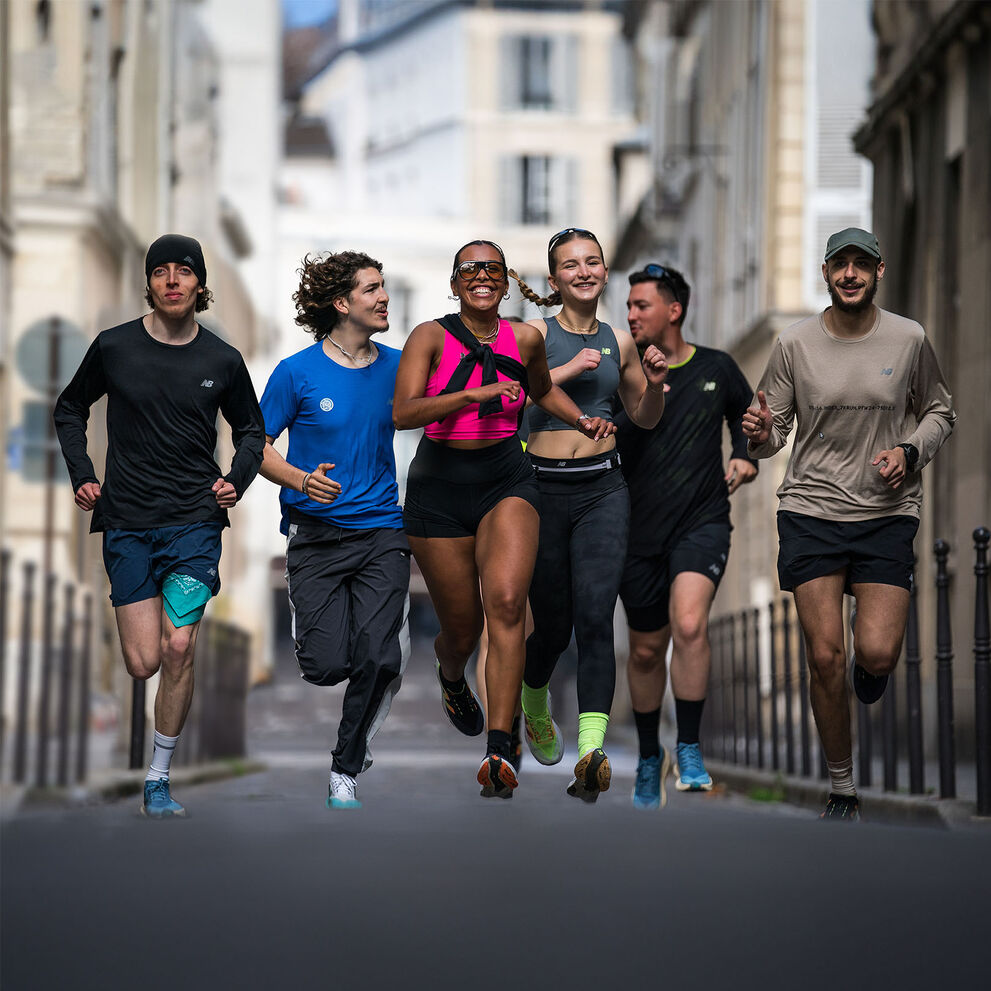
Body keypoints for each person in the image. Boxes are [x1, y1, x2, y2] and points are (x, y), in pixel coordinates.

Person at [742, 228, 955, 821]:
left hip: (887, 512)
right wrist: (758, 437)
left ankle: (871, 662)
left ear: (879, 272)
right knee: (825, 657)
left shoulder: (909, 337)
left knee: (878, 655)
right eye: (841, 264)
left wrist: (910, 452)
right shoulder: (793, 343)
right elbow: (772, 429)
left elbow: (940, 410)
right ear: (826, 272)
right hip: (811, 510)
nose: (851, 274)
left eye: (862, 264)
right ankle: (842, 786)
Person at [393, 239, 615, 799]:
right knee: (462, 631)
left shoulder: (526, 337)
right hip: (437, 489)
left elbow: (541, 390)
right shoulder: (428, 336)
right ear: (455, 283)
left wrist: (582, 419)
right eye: (470, 270)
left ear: (506, 280)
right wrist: (474, 395)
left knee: (510, 605)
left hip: (506, 480)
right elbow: (403, 413)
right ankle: (450, 675)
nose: (482, 277)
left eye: (492, 268)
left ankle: (499, 749)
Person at [54, 234, 265, 818]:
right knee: (143, 660)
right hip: (126, 520)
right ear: (148, 283)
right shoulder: (115, 348)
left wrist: (237, 478)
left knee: (179, 645)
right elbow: (70, 407)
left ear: (200, 285)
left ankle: (158, 776)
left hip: (194, 524)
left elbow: (253, 430)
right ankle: (153, 766)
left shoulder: (221, 360)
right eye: (161, 272)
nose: (173, 281)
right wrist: (82, 473)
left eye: (184, 272)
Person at [508, 228, 667, 802]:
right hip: (542, 490)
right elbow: (510, 402)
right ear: (553, 281)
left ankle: (591, 752)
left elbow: (643, 419)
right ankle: (534, 699)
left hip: (603, 487)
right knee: (551, 626)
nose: (583, 271)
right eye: (570, 265)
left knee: (597, 618)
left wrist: (655, 387)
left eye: (593, 262)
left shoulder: (621, 341)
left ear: (605, 272)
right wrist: (568, 370)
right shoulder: (532, 336)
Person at [257, 251, 410, 810]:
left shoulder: (399, 367)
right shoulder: (296, 373)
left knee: (379, 656)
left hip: (382, 533)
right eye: (372, 289)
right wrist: (300, 479)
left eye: (384, 286)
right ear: (342, 303)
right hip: (315, 537)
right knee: (326, 667)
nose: (384, 297)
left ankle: (345, 767)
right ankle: (359, 655)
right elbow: (255, 447)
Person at [615, 263, 758, 810]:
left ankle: (690, 747)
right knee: (648, 651)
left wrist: (746, 458)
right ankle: (651, 754)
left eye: (641, 305)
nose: (631, 315)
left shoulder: (717, 368)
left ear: (674, 310)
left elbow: (749, 420)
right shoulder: (621, 375)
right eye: (628, 307)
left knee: (691, 623)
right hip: (637, 531)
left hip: (701, 521)